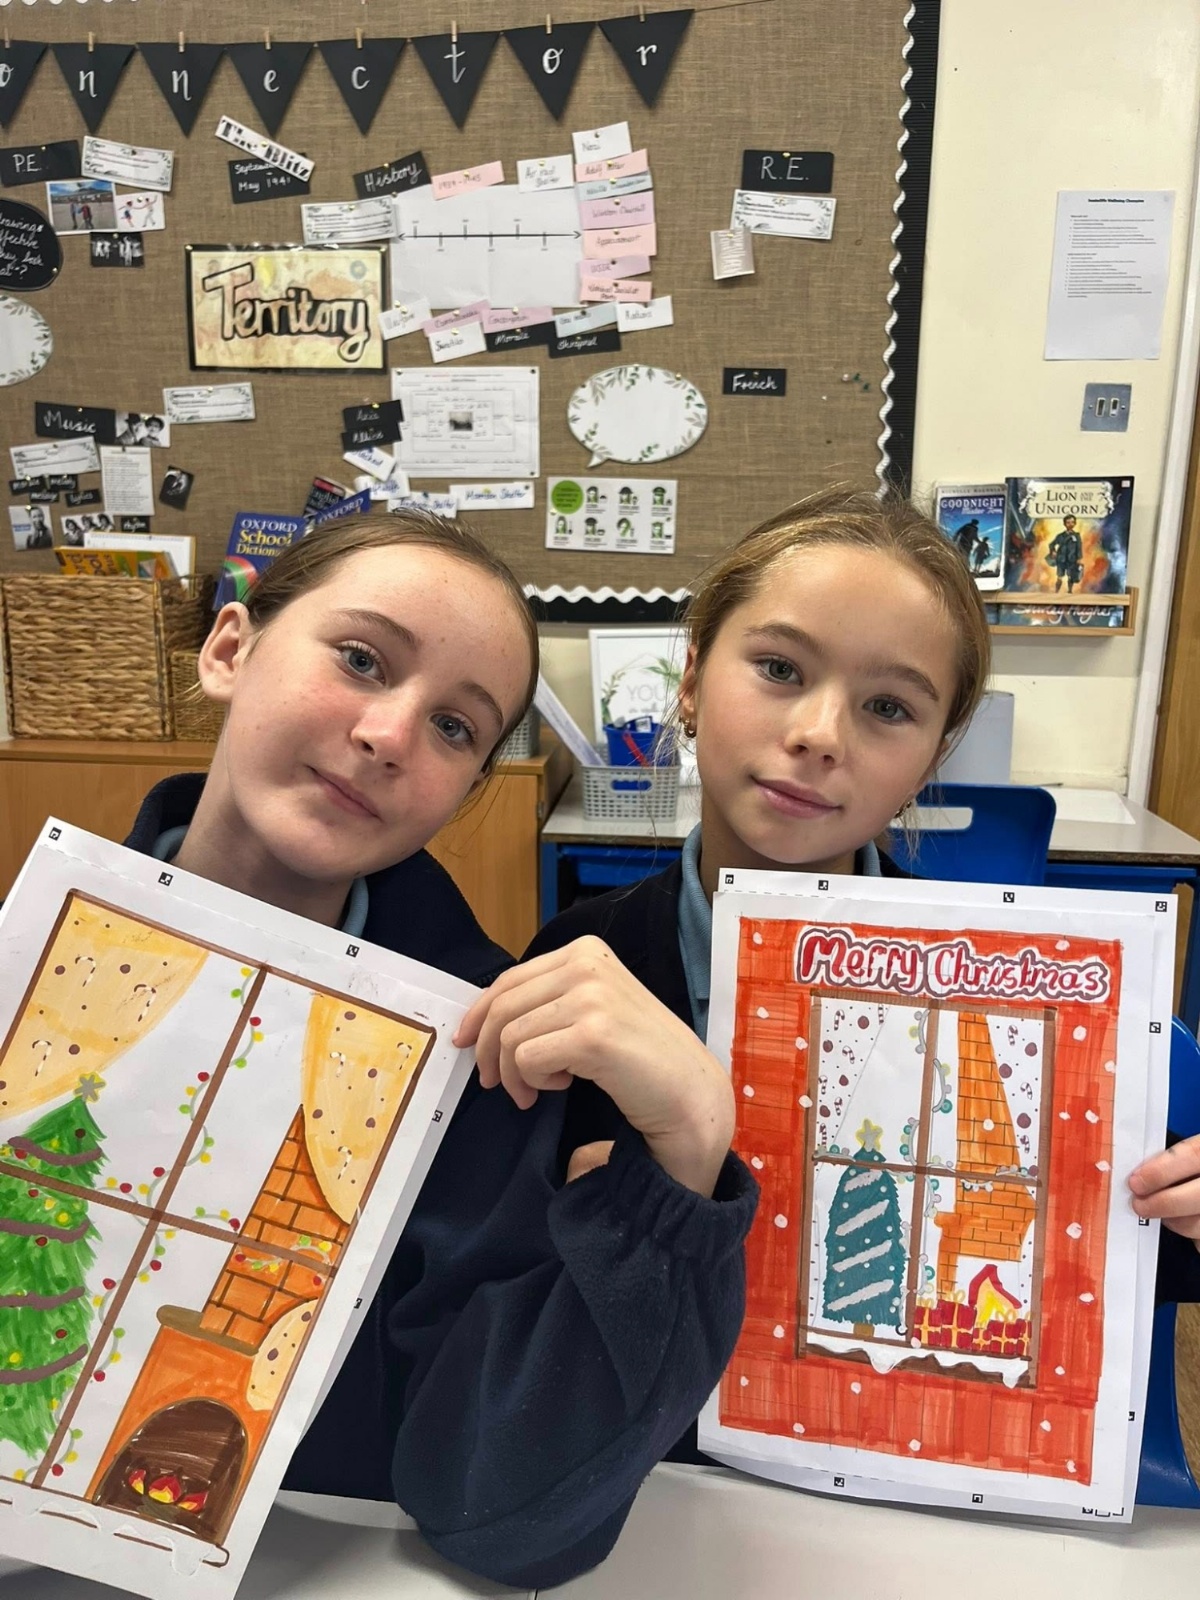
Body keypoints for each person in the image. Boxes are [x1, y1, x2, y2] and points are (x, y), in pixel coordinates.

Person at [121, 510, 755, 1587]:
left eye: (456, 728)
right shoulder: (37, 960)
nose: (388, 735)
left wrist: (686, 1158)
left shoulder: (474, 1063)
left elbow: (509, 1515)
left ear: (467, 789)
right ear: (230, 649)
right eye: (360, 660)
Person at [521, 487, 1200, 1352]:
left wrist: (1183, 1208)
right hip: (652, 1422)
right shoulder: (577, 964)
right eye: (779, 669)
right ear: (690, 684)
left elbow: (1095, 1242)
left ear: (931, 760)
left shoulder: (1007, 1004)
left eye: (888, 708)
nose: (820, 734)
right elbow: (506, 1284)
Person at [1046, 513, 1084, 592]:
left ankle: (1070, 591)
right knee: (1059, 577)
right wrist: (1053, 551)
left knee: (1071, 576)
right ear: (1064, 524)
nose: (1070, 524)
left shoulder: (1077, 536)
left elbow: (1079, 547)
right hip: (1061, 559)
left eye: (1072, 522)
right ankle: (1056, 592)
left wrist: (1079, 558)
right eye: (1068, 522)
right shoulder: (1060, 536)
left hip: (1072, 559)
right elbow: (1051, 544)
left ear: (1075, 523)